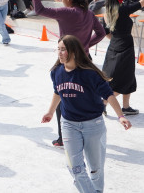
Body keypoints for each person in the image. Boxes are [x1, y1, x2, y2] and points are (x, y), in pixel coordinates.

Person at [41, 35, 131, 193]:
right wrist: (49, 112)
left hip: (93, 126)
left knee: (95, 170)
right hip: (68, 124)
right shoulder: (56, 72)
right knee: (75, 168)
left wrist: (120, 116)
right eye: (58, 49)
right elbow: (57, 92)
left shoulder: (89, 74)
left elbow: (109, 95)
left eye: (63, 49)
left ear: (74, 52)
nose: (59, 53)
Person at [102, 0, 142, 115]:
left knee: (125, 77)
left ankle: (126, 107)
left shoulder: (106, 13)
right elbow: (142, 2)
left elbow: (107, 33)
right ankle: (103, 103)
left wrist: (116, 40)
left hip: (113, 46)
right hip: (125, 47)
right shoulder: (123, 10)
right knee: (125, 78)